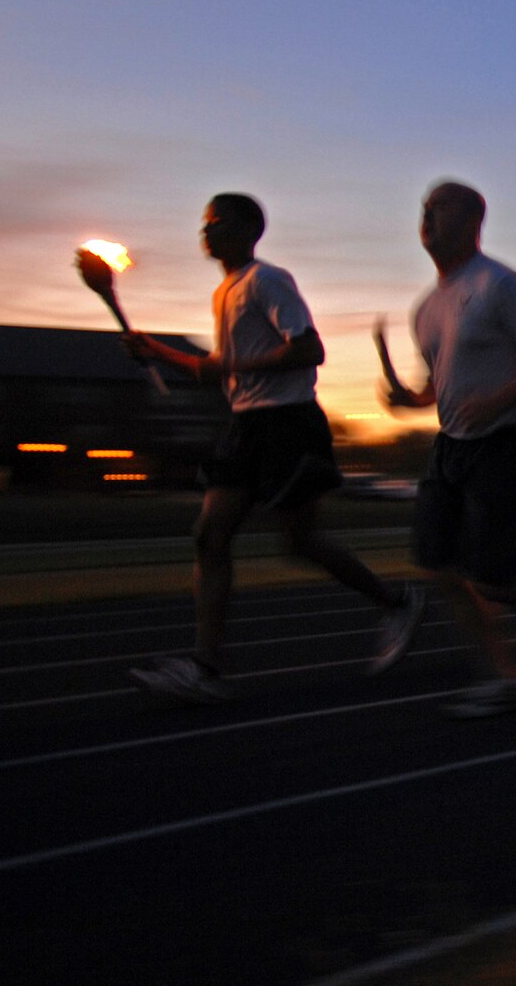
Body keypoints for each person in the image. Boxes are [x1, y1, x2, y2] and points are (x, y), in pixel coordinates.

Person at [125, 193, 424, 704]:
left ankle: (396, 600)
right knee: (209, 537)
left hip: (288, 424)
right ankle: (207, 666)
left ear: (247, 229)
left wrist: (237, 367)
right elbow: (214, 368)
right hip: (245, 426)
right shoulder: (225, 292)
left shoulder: (267, 281)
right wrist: (155, 350)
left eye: (215, 222)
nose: (205, 232)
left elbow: (310, 349)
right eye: (204, 223)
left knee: (299, 542)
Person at [386, 181, 516, 718]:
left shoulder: (501, 285)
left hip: (508, 444)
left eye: (440, 207)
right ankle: (509, 676)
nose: (426, 216)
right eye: (423, 207)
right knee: (437, 566)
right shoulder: (425, 308)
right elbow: (443, 382)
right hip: (453, 447)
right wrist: (413, 398)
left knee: (493, 578)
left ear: (474, 220)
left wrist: (499, 401)